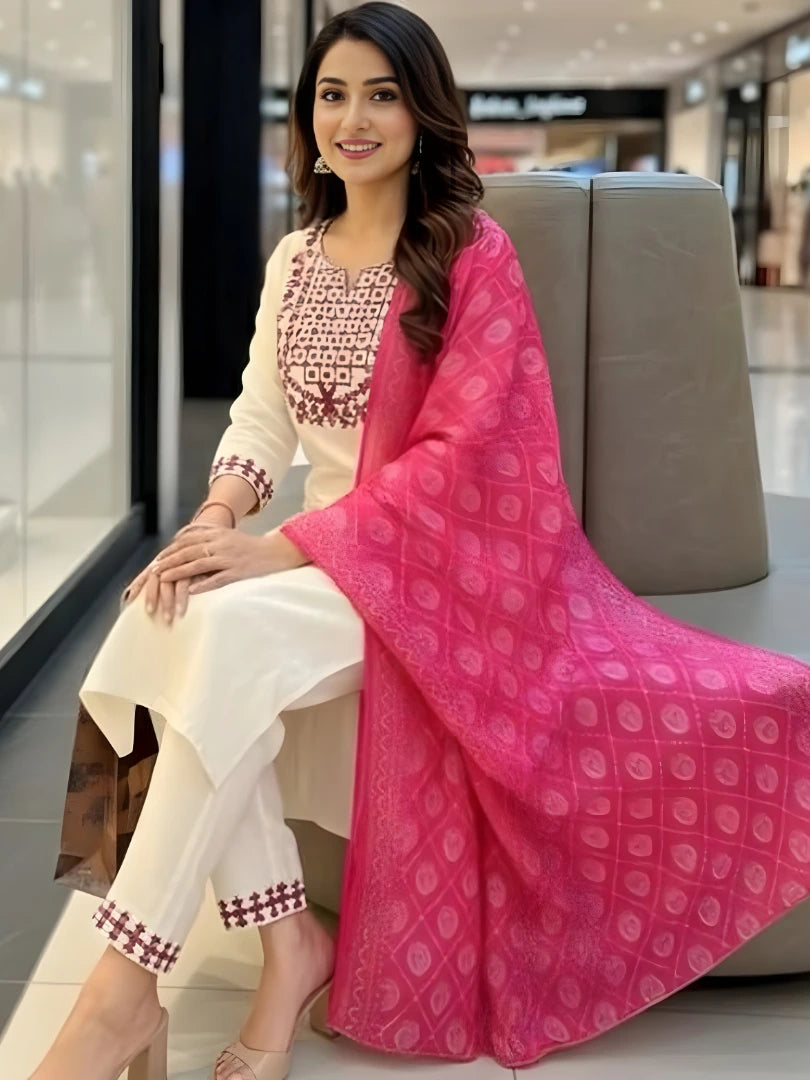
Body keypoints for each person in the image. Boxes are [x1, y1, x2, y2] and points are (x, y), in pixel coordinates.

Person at [32, 3, 810, 1078]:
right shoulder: (296, 257)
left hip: (442, 572)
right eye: (332, 94)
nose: (354, 118)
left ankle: (123, 996)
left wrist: (289, 545)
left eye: (382, 94)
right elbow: (259, 416)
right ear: (307, 116)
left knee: (225, 639)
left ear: (422, 111)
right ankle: (282, 947)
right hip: (317, 560)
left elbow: (465, 462)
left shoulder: (469, 253)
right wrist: (217, 519)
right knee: (165, 613)